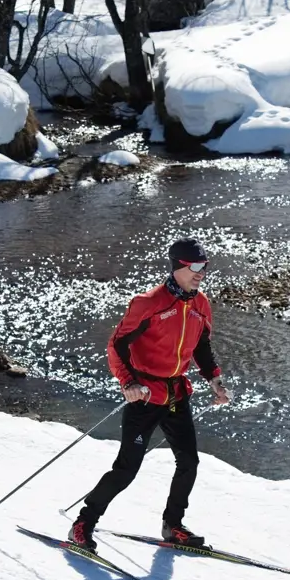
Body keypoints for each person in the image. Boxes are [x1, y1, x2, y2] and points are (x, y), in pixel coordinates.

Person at [69, 237, 230, 552]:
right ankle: (83, 523)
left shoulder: (201, 304)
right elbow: (117, 344)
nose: (201, 273)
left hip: (175, 394)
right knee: (127, 469)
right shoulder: (149, 302)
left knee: (189, 462)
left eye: (205, 267)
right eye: (195, 267)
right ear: (178, 266)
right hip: (144, 395)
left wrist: (214, 380)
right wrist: (127, 382)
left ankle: (173, 526)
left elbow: (201, 345)